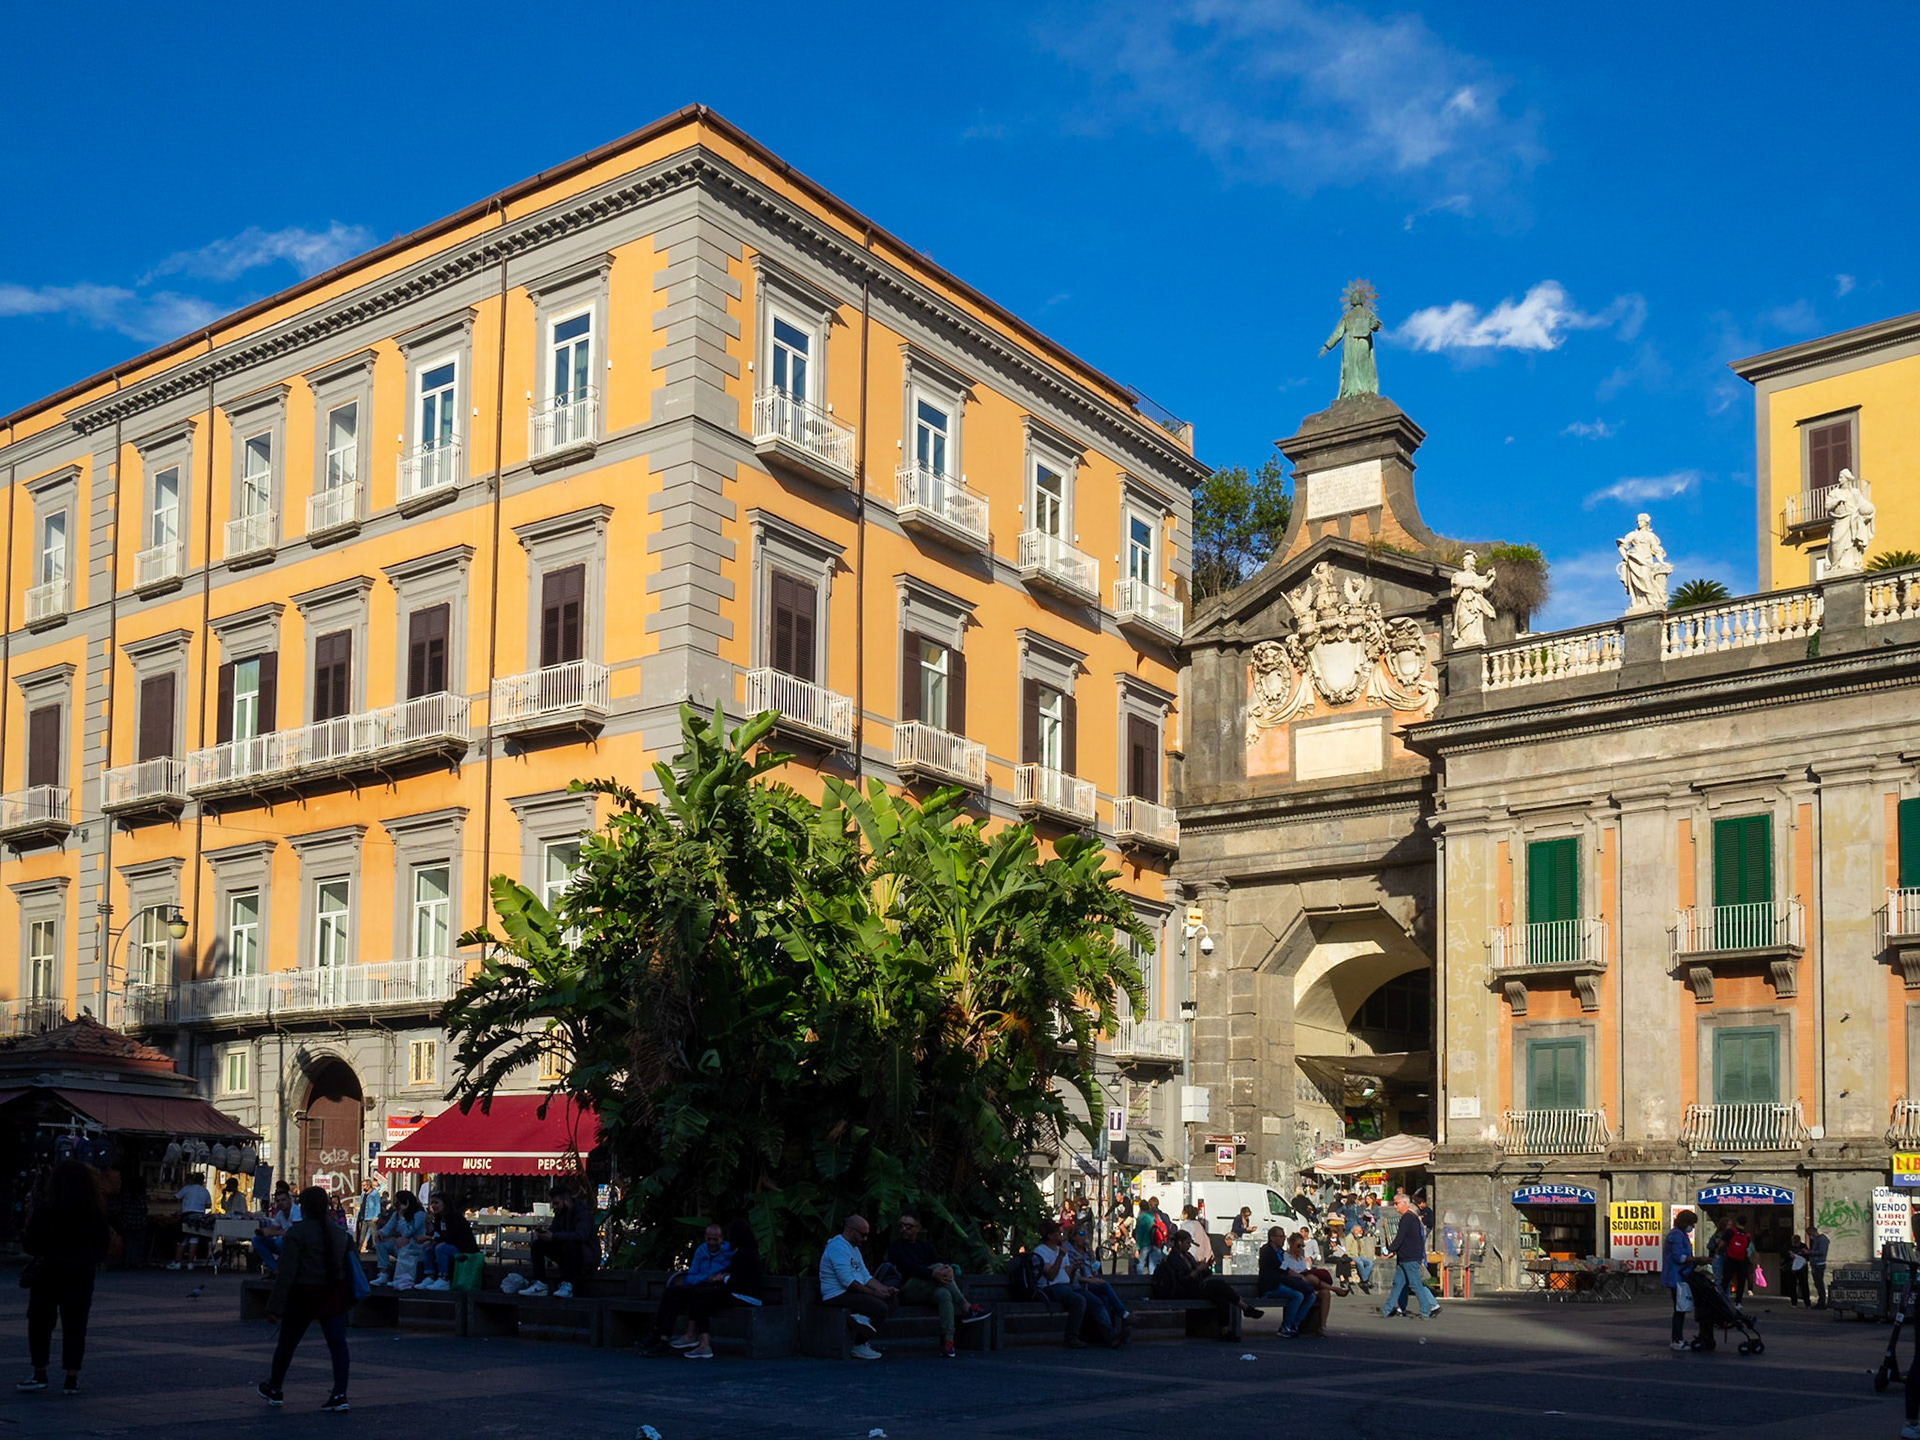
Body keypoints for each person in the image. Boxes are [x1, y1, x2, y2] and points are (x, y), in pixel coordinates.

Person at [16, 1160, 111, 1397]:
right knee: (76, 1324)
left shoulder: (47, 1208)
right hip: (80, 1271)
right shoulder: (93, 1210)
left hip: (48, 1271)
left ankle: (40, 1372)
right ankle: (71, 1376)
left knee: (40, 1322)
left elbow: (31, 1242)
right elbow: (103, 1243)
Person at [257, 1186, 352, 1412]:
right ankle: (340, 1393)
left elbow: (286, 1273)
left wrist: (274, 1306)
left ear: (304, 1207)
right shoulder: (340, 1233)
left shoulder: (297, 1234)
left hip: (303, 1293)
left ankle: (275, 1387)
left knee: (288, 1343)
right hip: (333, 1292)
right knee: (338, 1345)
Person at [886, 1212, 990, 1359]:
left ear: (917, 1228)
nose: (904, 1229)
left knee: (944, 1294)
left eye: (908, 1226)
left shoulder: (925, 1246)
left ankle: (948, 1340)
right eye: (901, 1226)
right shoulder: (896, 1247)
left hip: (929, 1289)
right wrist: (932, 1273)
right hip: (908, 1289)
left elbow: (940, 1260)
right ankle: (965, 1305)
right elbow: (907, 1267)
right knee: (938, 1267)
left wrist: (948, 1269)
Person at [1151, 1229, 1263, 1340]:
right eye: (1187, 1243)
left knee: (1222, 1297)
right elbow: (1183, 1279)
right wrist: (1198, 1270)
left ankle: (1224, 1331)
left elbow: (1198, 1276)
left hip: (1195, 1287)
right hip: (1184, 1290)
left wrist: (1206, 1268)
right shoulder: (1173, 1258)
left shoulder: (1188, 1256)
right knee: (1220, 1284)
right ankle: (1245, 1307)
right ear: (1179, 1243)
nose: (1189, 1246)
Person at [642, 1222, 734, 1356]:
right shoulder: (702, 1250)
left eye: (716, 1239)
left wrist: (714, 1278)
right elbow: (690, 1276)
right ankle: (660, 1336)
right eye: (709, 1239)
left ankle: (664, 1338)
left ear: (722, 1238)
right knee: (671, 1293)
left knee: (690, 1295)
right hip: (700, 1284)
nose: (712, 1243)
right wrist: (706, 1277)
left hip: (713, 1289)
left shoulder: (729, 1252)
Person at [819, 1214, 895, 1361]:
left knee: (892, 1300)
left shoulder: (854, 1249)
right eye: (863, 1235)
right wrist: (874, 1294)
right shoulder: (837, 1247)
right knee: (880, 1308)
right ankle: (859, 1344)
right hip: (837, 1294)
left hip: (851, 1291)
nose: (865, 1239)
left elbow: (865, 1276)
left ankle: (863, 1320)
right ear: (850, 1230)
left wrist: (884, 1289)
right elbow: (847, 1281)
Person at [1033, 1220, 1106, 1348]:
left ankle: (1106, 1334)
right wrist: (1060, 1257)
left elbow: (1067, 1275)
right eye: (1057, 1232)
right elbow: (1051, 1275)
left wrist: (1073, 1268)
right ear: (1050, 1236)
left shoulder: (1061, 1249)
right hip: (1049, 1287)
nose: (1061, 1233)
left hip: (1065, 1285)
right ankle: (1071, 1337)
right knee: (1079, 1301)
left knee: (1094, 1300)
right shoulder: (1041, 1251)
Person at [524, 1184, 598, 1298]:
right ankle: (540, 1283)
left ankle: (569, 1285)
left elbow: (581, 1235)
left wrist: (554, 1237)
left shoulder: (582, 1212)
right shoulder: (560, 1214)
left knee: (570, 1244)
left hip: (585, 1256)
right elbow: (554, 1231)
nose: (554, 1206)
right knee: (537, 1245)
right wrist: (543, 1235)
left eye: (556, 1203)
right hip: (566, 1253)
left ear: (566, 1200)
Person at [1379, 1192, 1439, 1320]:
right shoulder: (1411, 1217)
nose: (1395, 1206)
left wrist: (1389, 1250)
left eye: (1397, 1203)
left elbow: (1400, 1237)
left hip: (1410, 1257)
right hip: (1405, 1257)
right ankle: (1386, 1309)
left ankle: (1425, 1311)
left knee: (1415, 1285)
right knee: (1398, 1283)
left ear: (1405, 1204)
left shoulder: (1407, 1218)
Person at [1256, 1226, 1316, 1338]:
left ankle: (1295, 1324)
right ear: (1272, 1238)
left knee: (1310, 1295)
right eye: (1281, 1236)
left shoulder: (1281, 1252)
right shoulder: (1267, 1251)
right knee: (1297, 1296)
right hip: (1271, 1286)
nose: (1284, 1239)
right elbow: (1283, 1268)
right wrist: (1299, 1276)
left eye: (1284, 1236)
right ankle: (1285, 1327)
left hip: (1283, 1283)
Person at [1663, 1209, 1708, 1352]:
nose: (1693, 1227)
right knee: (1679, 1309)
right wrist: (1696, 1259)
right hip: (1676, 1277)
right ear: (1685, 1223)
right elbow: (1678, 1257)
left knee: (1680, 1308)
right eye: (1691, 1224)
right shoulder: (1676, 1235)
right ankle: (1676, 1339)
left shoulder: (1682, 1234)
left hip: (1682, 1276)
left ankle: (1678, 1338)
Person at [419, 1195, 478, 1291]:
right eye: (432, 1203)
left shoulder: (455, 1218)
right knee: (428, 1246)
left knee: (441, 1248)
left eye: (436, 1203)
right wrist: (428, 1225)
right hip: (449, 1245)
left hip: (462, 1249)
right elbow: (437, 1234)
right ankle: (430, 1276)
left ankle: (444, 1278)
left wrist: (429, 1238)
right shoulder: (438, 1219)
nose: (433, 1206)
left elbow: (451, 1238)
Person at [1282, 1231, 1336, 1333]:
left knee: (1325, 1293)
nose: (1300, 1248)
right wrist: (1301, 1276)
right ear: (1291, 1244)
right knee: (1305, 1292)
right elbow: (1287, 1272)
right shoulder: (1285, 1257)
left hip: (1306, 1284)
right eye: (1298, 1246)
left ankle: (1322, 1326)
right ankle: (1295, 1323)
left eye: (1302, 1246)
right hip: (1295, 1283)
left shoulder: (1301, 1258)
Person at [372, 1190, 427, 1287]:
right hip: (401, 1245)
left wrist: (402, 1216)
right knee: (382, 1244)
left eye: (397, 1201)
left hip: (416, 1247)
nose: (394, 1204)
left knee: (404, 1242)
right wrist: (380, 1233)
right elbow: (388, 1228)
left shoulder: (419, 1215)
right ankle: (383, 1273)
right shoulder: (395, 1215)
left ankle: (401, 1279)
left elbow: (407, 1232)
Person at [169, 1171, 213, 1270]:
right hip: (199, 1217)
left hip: (187, 1216)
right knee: (194, 1239)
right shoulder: (205, 1191)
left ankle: (177, 1262)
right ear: (203, 1181)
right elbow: (209, 1205)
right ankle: (190, 1263)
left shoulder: (187, 1189)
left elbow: (175, 1197)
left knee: (182, 1240)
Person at [252, 1191, 293, 1276]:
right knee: (256, 1240)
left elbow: (295, 1232)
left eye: (283, 1200)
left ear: (289, 1200)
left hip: (293, 1244)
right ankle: (275, 1268)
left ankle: (284, 1267)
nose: (280, 1203)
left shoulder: (296, 1211)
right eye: (278, 1201)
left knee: (280, 1241)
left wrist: (275, 1233)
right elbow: (273, 1229)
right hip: (284, 1242)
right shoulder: (280, 1214)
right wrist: (264, 1232)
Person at [1331, 1226, 1374, 1292]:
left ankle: (1364, 1279)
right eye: (1359, 1231)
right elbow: (1347, 1251)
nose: (1360, 1232)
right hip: (1351, 1256)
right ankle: (1365, 1280)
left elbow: (1361, 1249)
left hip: (1359, 1255)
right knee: (1360, 1263)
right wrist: (1351, 1259)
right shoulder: (1349, 1238)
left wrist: (1360, 1241)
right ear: (1354, 1231)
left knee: (1370, 1263)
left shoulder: (1358, 1238)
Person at [1722, 1217, 1754, 1305]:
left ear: (1736, 1222)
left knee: (1726, 1279)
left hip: (1730, 1258)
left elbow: (1722, 1243)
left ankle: (1722, 1299)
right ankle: (1738, 1302)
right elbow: (1747, 1248)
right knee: (1741, 1281)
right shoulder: (1747, 1235)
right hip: (1741, 1260)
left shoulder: (1730, 1231)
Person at [1135, 1198, 1166, 1275]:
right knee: (1154, 1264)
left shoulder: (1141, 1218)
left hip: (1145, 1244)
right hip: (1156, 1242)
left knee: (1141, 1263)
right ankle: (1153, 1280)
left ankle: (1139, 1281)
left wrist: (1137, 1248)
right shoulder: (1156, 1216)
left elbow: (1138, 1234)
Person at [354, 1181, 381, 1253]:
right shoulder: (363, 1193)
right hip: (364, 1216)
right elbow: (362, 1204)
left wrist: (376, 1216)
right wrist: (359, 1215)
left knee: (374, 1233)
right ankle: (359, 1247)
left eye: (364, 1185)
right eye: (362, 1185)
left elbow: (377, 1205)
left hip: (372, 1216)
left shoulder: (375, 1194)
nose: (363, 1187)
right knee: (362, 1233)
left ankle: (376, 1248)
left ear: (369, 1186)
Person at [1783, 1234, 1811, 1306]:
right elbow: (1784, 1254)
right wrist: (1789, 1255)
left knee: (1803, 1285)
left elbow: (1808, 1256)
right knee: (1793, 1285)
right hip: (1792, 1268)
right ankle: (1796, 1302)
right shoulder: (1788, 1246)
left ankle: (1805, 1302)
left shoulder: (1802, 1246)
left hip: (1801, 1268)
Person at [1808, 1223, 1829, 1309]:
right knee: (1817, 1283)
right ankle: (1820, 1301)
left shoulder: (1822, 1240)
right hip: (1815, 1264)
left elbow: (1821, 1252)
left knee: (1819, 1283)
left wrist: (1809, 1252)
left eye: (1809, 1234)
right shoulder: (1817, 1239)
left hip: (1819, 1264)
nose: (1809, 1237)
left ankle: (1822, 1302)